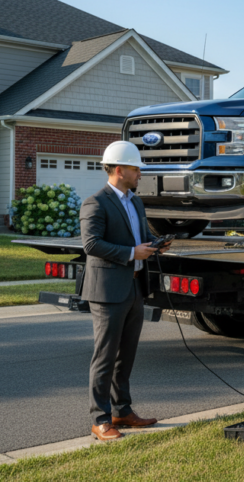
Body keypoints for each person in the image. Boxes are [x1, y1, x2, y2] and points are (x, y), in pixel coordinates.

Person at [80, 140, 172, 441]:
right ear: (119, 169)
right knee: (105, 357)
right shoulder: (95, 202)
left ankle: (122, 410)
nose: (139, 174)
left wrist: (155, 244)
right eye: (135, 169)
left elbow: (142, 237)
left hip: (134, 286)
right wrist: (133, 252)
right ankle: (100, 419)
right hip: (107, 291)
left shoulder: (135, 202)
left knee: (127, 356)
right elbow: (91, 245)